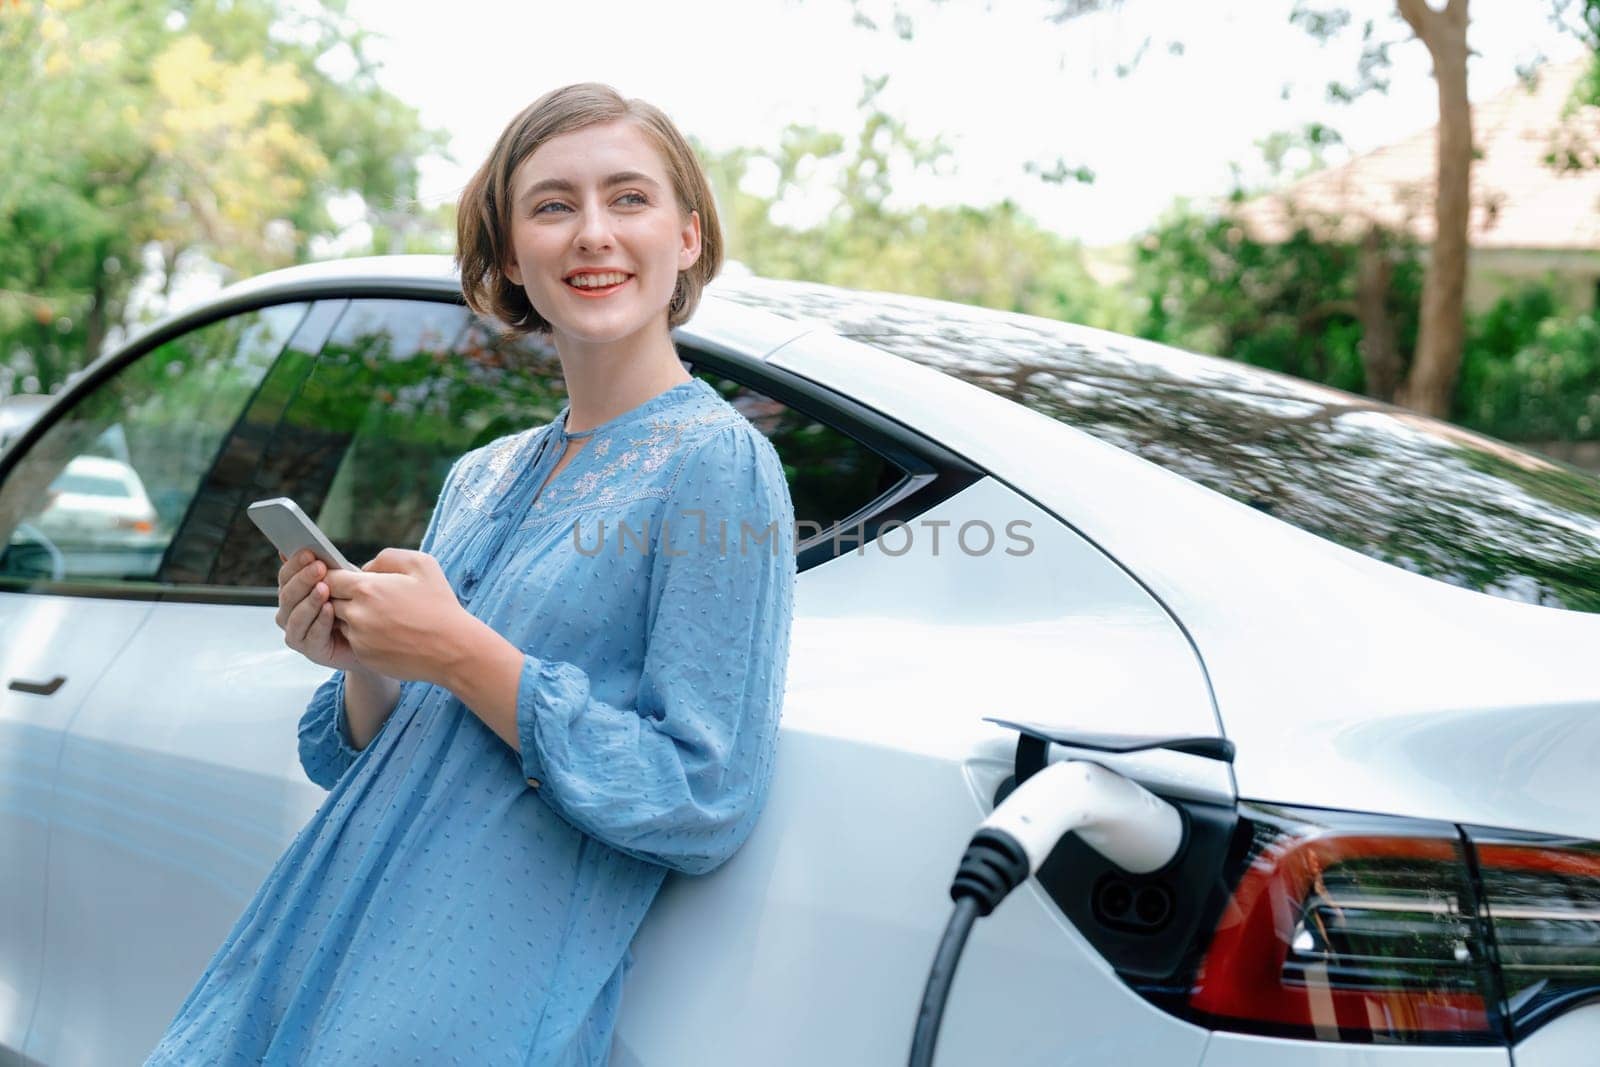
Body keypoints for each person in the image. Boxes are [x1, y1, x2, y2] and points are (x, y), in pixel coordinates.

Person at [144, 83, 797, 1066]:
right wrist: (362, 656)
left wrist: (456, 651)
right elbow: (373, 754)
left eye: (628, 199)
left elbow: (700, 795)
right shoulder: (481, 471)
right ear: (506, 255)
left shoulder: (715, 461)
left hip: (464, 997)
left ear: (688, 236)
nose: (592, 233)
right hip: (322, 936)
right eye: (550, 205)